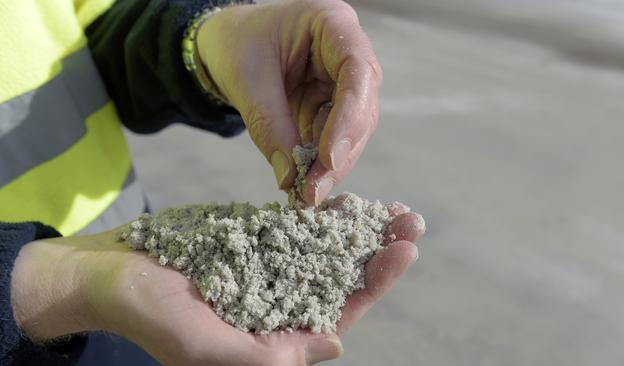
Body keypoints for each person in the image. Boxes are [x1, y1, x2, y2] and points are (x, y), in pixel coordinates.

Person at [0, 0, 424, 364]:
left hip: (143, 265)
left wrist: (205, 39)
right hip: (42, 315)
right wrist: (44, 284)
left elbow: (94, 19)